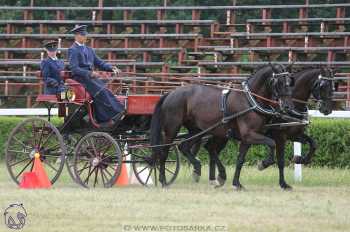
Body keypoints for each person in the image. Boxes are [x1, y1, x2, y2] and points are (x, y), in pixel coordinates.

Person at [67, 25, 125, 126]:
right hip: (80, 79)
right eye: (82, 35)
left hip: (90, 78)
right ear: (76, 36)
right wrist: (89, 73)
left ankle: (117, 112)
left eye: (85, 35)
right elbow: (74, 68)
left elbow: (99, 63)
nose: (85, 37)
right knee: (100, 91)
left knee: (106, 90)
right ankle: (107, 117)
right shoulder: (73, 50)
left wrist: (111, 68)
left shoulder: (89, 50)